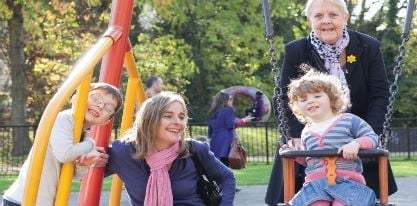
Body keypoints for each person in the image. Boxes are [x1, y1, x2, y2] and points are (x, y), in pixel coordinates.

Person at [265, 0, 397, 205]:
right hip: (312, 135)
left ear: (345, 17)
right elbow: (283, 98)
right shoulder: (297, 51)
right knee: (302, 193)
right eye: (318, 16)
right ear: (309, 20)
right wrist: (296, 137)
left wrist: (370, 135)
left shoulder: (367, 47)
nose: (326, 21)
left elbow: (380, 94)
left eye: (333, 15)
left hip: (354, 134)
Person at [105, 91, 236, 205]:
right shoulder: (123, 152)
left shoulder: (193, 149)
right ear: (149, 119)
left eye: (181, 117)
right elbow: (88, 172)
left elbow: (226, 177)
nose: (178, 122)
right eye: (168, 116)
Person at [2, 83, 123, 206]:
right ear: (76, 98)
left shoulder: (80, 134)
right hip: (23, 199)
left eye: (108, 108)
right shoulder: (65, 119)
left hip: (42, 201)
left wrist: (84, 164)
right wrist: (90, 145)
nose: (100, 105)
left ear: (107, 121)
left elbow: (71, 174)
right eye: (96, 98)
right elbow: (65, 154)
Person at [281, 69, 378, 205]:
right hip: (315, 185)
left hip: (347, 181)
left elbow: (372, 137)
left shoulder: (349, 120)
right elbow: (309, 160)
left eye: (317, 96)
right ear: (298, 106)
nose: (310, 101)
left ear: (332, 99)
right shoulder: (306, 131)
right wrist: (295, 154)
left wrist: (356, 144)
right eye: (303, 99)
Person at [207, 92, 253, 166]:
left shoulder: (212, 111)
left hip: (214, 140)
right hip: (226, 140)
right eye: (230, 99)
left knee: (217, 165)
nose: (231, 100)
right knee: (225, 166)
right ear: (225, 100)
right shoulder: (228, 109)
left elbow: (210, 129)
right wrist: (244, 121)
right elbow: (230, 125)